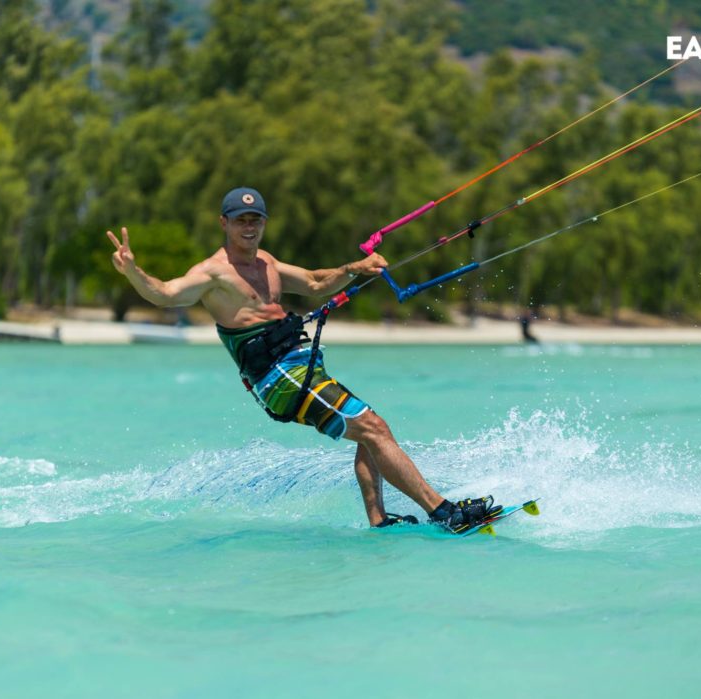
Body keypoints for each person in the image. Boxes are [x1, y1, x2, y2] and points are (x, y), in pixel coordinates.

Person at [106, 187, 501, 533]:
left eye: (256, 220)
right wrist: (132, 271)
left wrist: (356, 269)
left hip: (302, 367)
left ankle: (379, 520)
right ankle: (444, 512)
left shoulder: (268, 263)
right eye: (241, 220)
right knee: (372, 428)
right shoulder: (213, 273)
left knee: (373, 430)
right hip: (278, 379)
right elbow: (165, 293)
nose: (250, 227)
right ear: (223, 223)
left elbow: (314, 282)